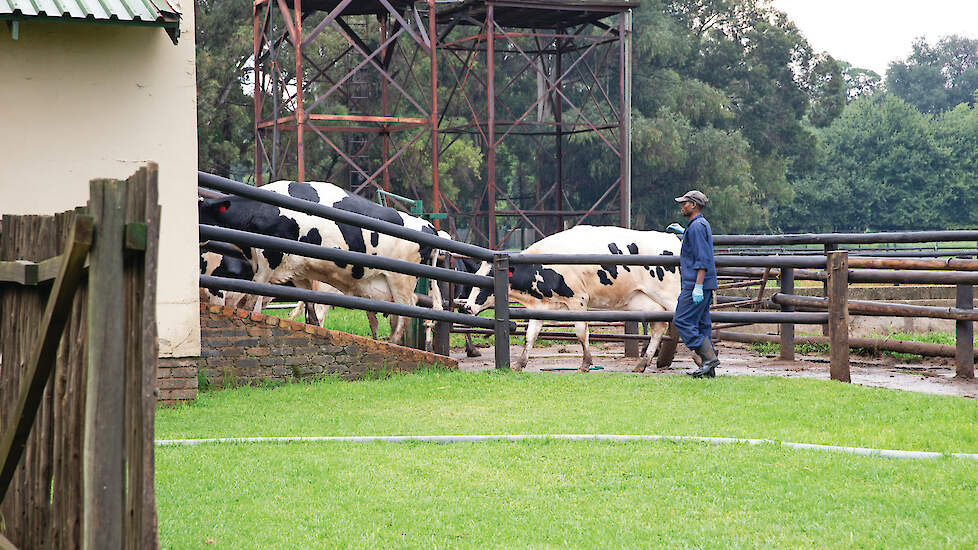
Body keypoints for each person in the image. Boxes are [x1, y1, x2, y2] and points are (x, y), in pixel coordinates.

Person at [672, 190, 719, 378]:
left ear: (693, 205)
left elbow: (702, 258)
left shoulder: (697, 227)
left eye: (684, 203)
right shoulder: (698, 226)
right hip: (701, 283)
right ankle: (709, 370)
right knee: (701, 323)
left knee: (681, 320)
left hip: (695, 283)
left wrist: (697, 286)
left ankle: (709, 359)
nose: (682, 206)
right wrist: (685, 234)